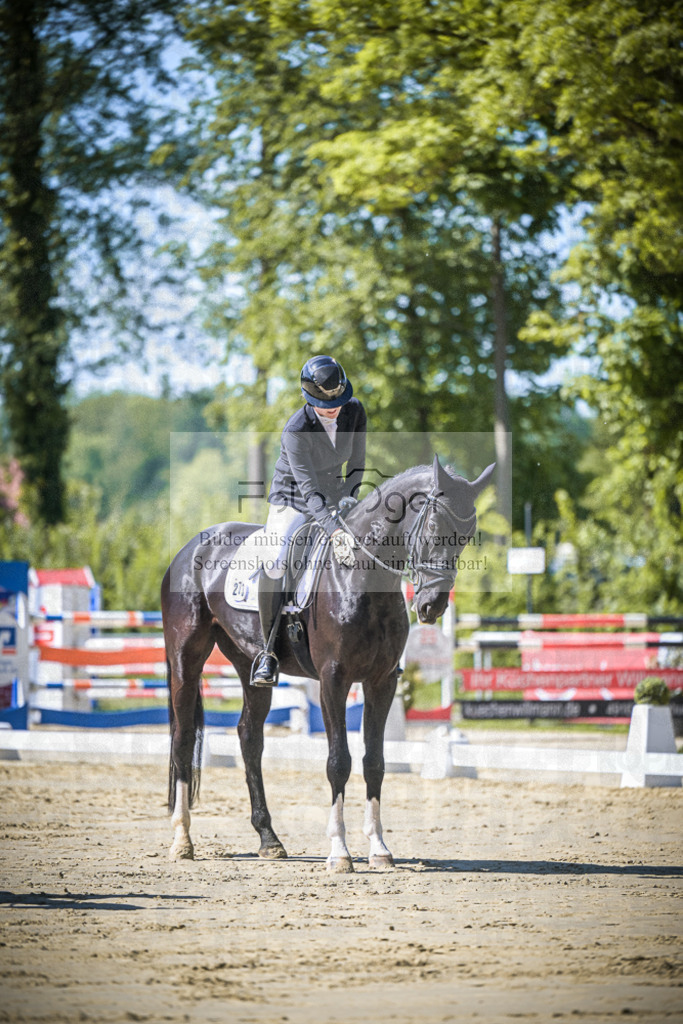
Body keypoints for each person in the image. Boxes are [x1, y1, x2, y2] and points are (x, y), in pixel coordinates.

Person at [251, 355, 367, 685]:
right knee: (275, 560)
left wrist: (349, 504)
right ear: (308, 398)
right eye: (325, 404)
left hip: (333, 497)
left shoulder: (355, 411)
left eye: (338, 402)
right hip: (293, 499)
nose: (334, 409)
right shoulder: (296, 430)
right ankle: (268, 651)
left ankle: (379, 645)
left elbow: (357, 466)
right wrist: (332, 530)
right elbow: (308, 489)